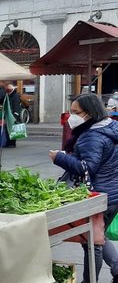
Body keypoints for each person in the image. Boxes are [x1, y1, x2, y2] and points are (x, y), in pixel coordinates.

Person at [49, 93, 118, 283]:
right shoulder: (110, 127)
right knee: (98, 236)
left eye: (75, 112)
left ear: (89, 113)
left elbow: (86, 167)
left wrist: (60, 158)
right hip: (112, 192)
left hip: (98, 195)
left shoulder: (93, 136)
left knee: (92, 242)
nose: (72, 116)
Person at [4, 84, 22, 148]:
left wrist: (16, 115)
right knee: (8, 129)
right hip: (9, 114)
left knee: (12, 129)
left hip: (13, 114)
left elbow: (16, 106)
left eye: (8, 89)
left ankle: (12, 143)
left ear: (12, 89)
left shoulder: (15, 96)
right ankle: (9, 142)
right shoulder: (9, 95)